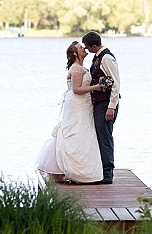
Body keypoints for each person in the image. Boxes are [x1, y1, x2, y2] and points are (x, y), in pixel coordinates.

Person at [35, 41, 104, 184]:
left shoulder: (80, 68)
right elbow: (76, 89)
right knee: (75, 132)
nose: (84, 48)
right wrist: (97, 87)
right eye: (80, 47)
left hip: (83, 104)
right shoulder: (77, 69)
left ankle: (81, 170)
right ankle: (73, 170)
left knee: (83, 133)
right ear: (74, 53)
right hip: (77, 104)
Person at [81, 31, 120, 184]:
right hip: (100, 102)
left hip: (106, 103)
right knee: (100, 135)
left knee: (105, 137)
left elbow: (116, 83)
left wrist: (111, 107)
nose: (86, 49)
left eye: (87, 47)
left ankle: (108, 173)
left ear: (94, 45)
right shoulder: (98, 57)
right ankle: (101, 170)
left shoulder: (107, 58)